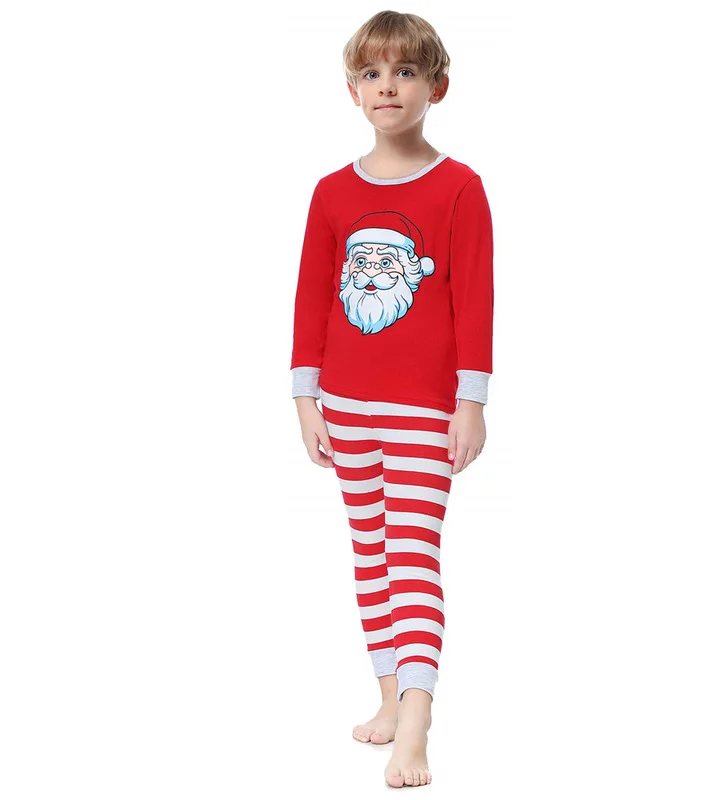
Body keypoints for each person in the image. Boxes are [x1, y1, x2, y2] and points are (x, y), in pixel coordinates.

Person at [289, 10, 494, 789]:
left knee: (411, 556)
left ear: (436, 87)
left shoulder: (459, 188)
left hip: (423, 410)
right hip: (344, 404)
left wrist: (470, 402)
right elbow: (312, 298)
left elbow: (475, 300)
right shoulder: (331, 193)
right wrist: (306, 397)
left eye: (405, 71)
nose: (387, 87)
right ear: (353, 91)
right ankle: (386, 693)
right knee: (370, 554)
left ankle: (416, 720)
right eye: (372, 74)